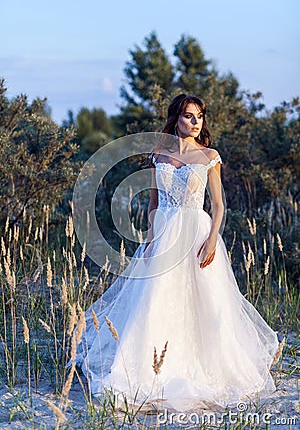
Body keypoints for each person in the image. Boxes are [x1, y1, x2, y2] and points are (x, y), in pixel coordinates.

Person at [75, 94, 280, 412]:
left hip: (197, 233)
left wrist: (213, 238)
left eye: (199, 116)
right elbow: (154, 203)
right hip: (165, 233)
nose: (196, 121)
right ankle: (150, 367)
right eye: (188, 116)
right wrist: (152, 238)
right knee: (156, 300)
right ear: (176, 119)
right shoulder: (160, 154)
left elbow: (219, 205)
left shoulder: (209, 156)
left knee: (204, 302)